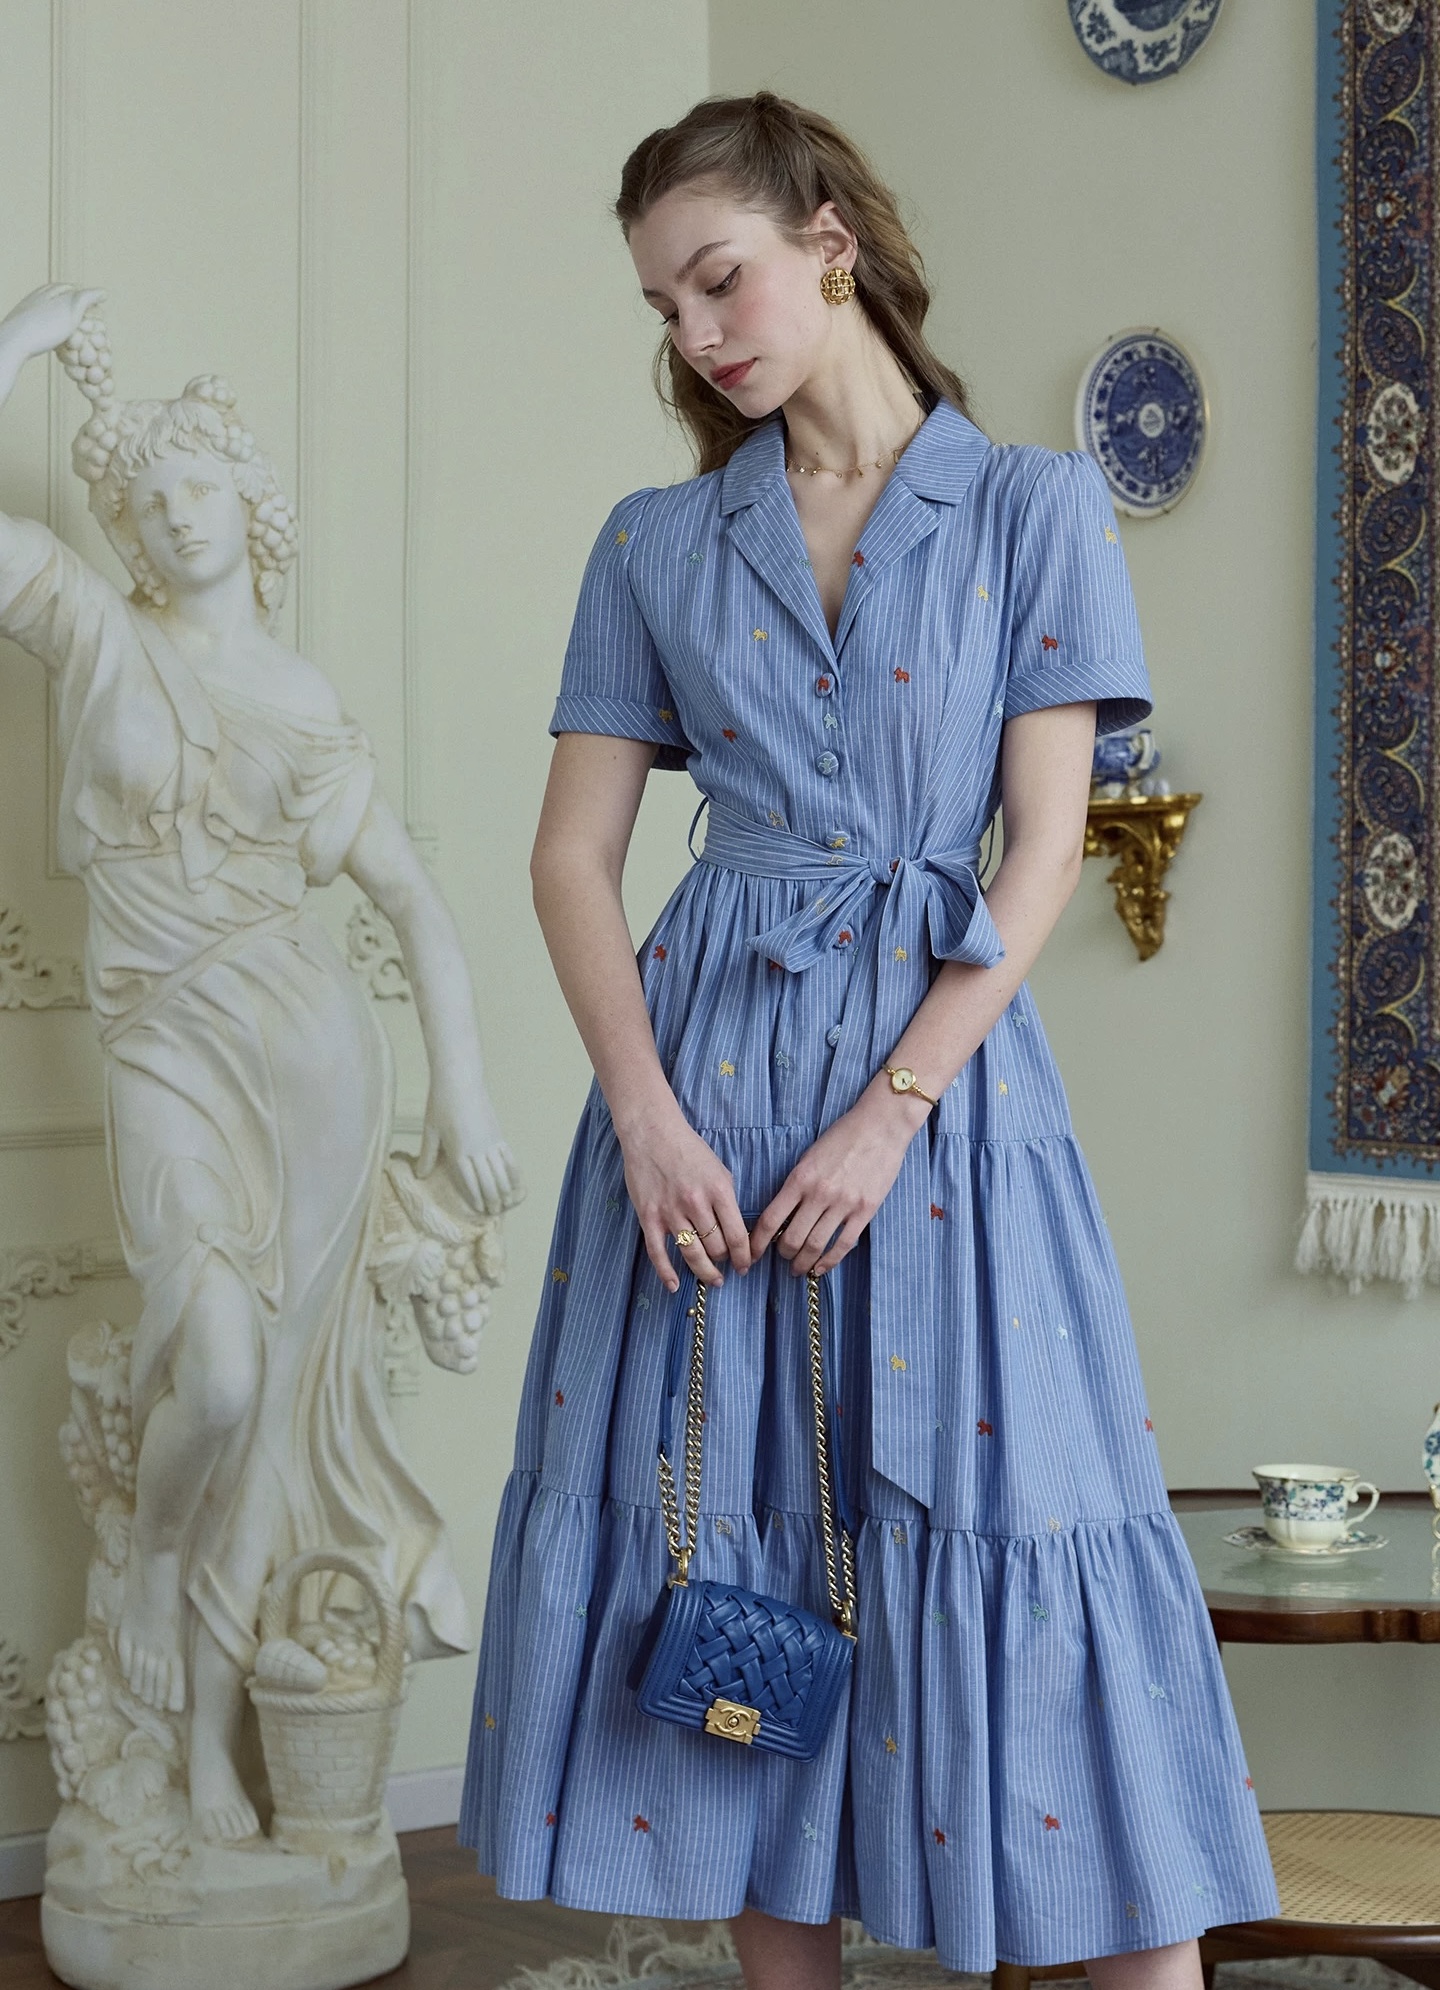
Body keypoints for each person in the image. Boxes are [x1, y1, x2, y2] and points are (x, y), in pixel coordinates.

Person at [459, 92, 1278, 1990]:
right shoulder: (658, 542)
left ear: (830, 243)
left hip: (946, 1109)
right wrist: (645, 1117)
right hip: (704, 1112)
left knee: (1032, 1527)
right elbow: (572, 860)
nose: (697, 334)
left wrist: (894, 1106)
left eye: (719, 280)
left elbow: (1044, 845)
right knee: (737, 1555)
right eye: (664, 307)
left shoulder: (1030, 507)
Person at [0, 283, 519, 1844]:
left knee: (280, 1405)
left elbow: (415, 906)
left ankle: (213, 1743)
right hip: (164, 1047)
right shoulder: (98, 636)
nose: (178, 510)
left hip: (316, 1069)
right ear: (130, 527)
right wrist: (18, 343)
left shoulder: (301, 705)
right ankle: (156, 1567)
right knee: (216, 1371)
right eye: (152, 494)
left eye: (204, 483)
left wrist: (462, 1088)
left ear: (250, 504)